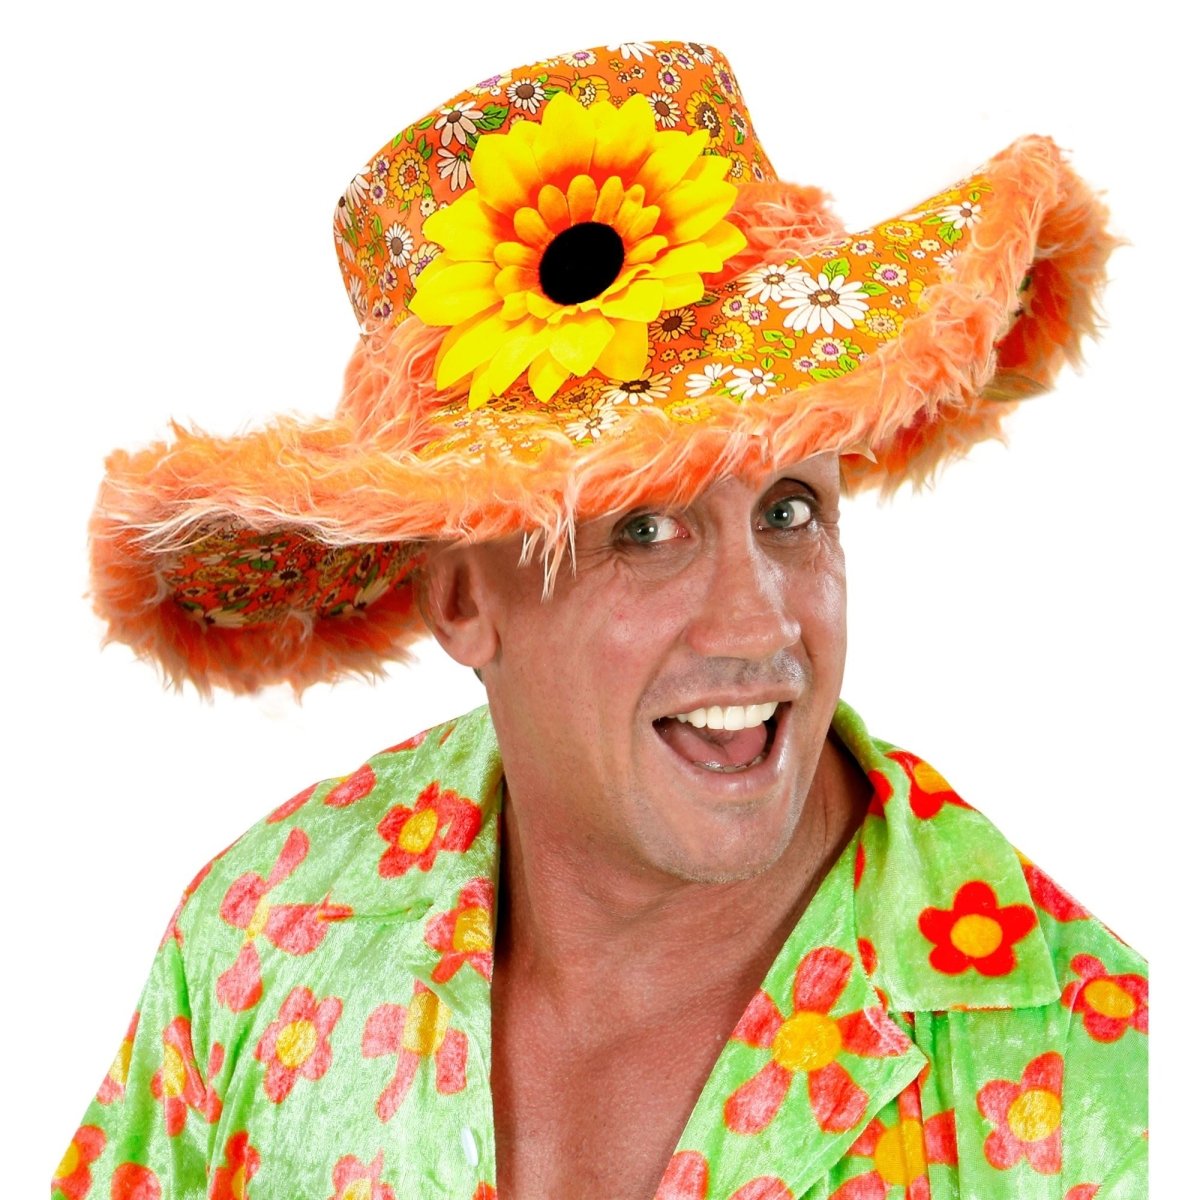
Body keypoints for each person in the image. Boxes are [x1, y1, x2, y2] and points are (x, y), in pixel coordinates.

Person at [54, 39, 1148, 1200]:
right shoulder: (264, 940)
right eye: (645, 529)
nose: (758, 625)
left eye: (789, 509)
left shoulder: (1096, 1079)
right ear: (461, 598)